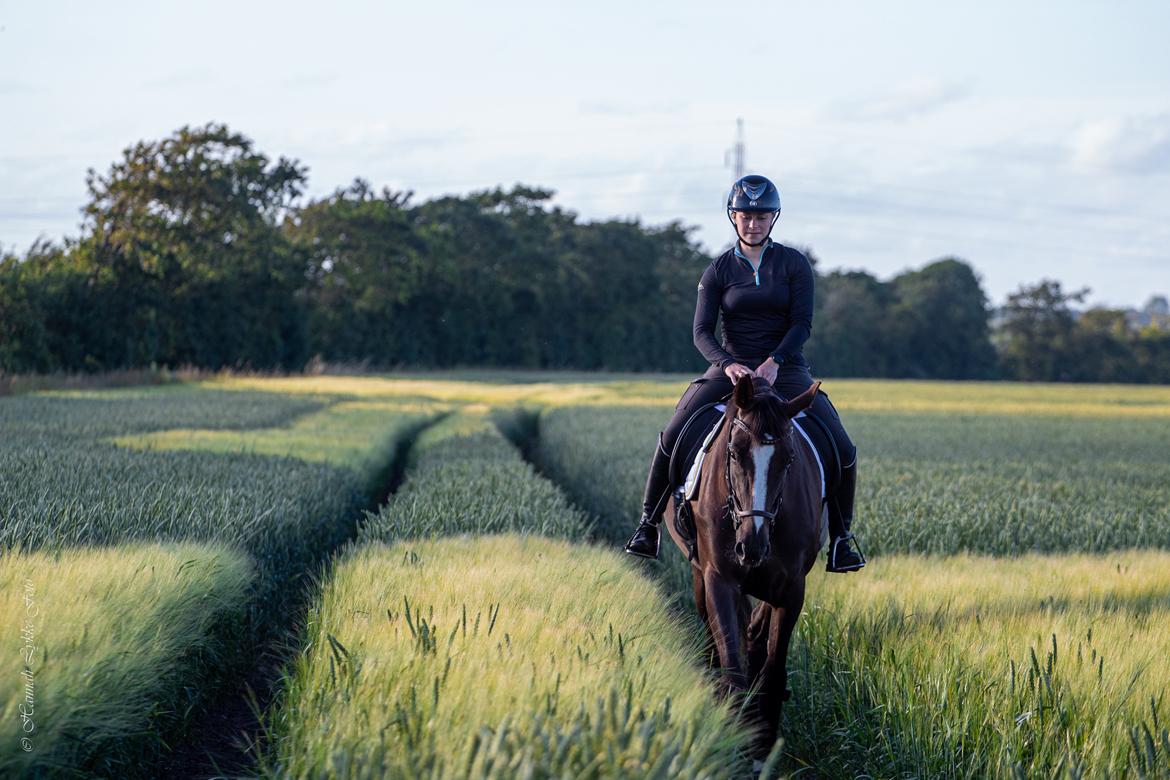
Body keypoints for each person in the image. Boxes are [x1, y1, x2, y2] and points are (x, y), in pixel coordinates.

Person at [623, 174, 866, 573]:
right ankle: (648, 525)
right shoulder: (717, 270)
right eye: (746, 215)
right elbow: (701, 332)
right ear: (733, 217)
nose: (753, 223)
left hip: (785, 371)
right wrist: (727, 364)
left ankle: (842, 539)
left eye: (762, 216)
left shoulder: (794, 265)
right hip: (730, 371)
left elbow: (802, 324)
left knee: (843, 446)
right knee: (672, 434)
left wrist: (776, 361)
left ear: (774, 218)